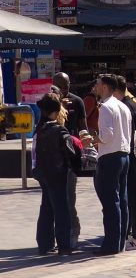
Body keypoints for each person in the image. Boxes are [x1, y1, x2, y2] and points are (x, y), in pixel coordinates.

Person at [88, 73, 132, 256]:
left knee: (110, 201)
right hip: (124, 155)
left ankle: (111, 243)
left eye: (98, 84)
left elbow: (107, 136)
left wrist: (92, 138)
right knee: (122, 200)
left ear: (105, 86)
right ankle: (120, 241)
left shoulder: (106, 107)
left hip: (110, 156)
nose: (95, 87)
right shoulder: (123, 106)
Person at [34, 93, 81, 256]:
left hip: (44, 173)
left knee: (46, 208)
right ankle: (64, 246)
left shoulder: (40, 129)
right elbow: (71, 153)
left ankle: (44, 244)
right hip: (58, 173)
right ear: (55, 111)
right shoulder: (60, 130)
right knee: (62, 210)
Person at [115, 75, 136, 248]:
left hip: (132, 154)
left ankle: (135, 232)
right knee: (135, 192)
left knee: (132, 194)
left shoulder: (126, 106)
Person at [51, 72, 83, 249]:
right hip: (53, 159)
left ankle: (73, 231)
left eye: (67, 84)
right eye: (61, 85)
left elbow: (82, 126)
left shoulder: (76, 101)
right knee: (54, 200)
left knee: (69, 197)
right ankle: (59, 235)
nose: (65, 89)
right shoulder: (49, 102)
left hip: (70, 156)